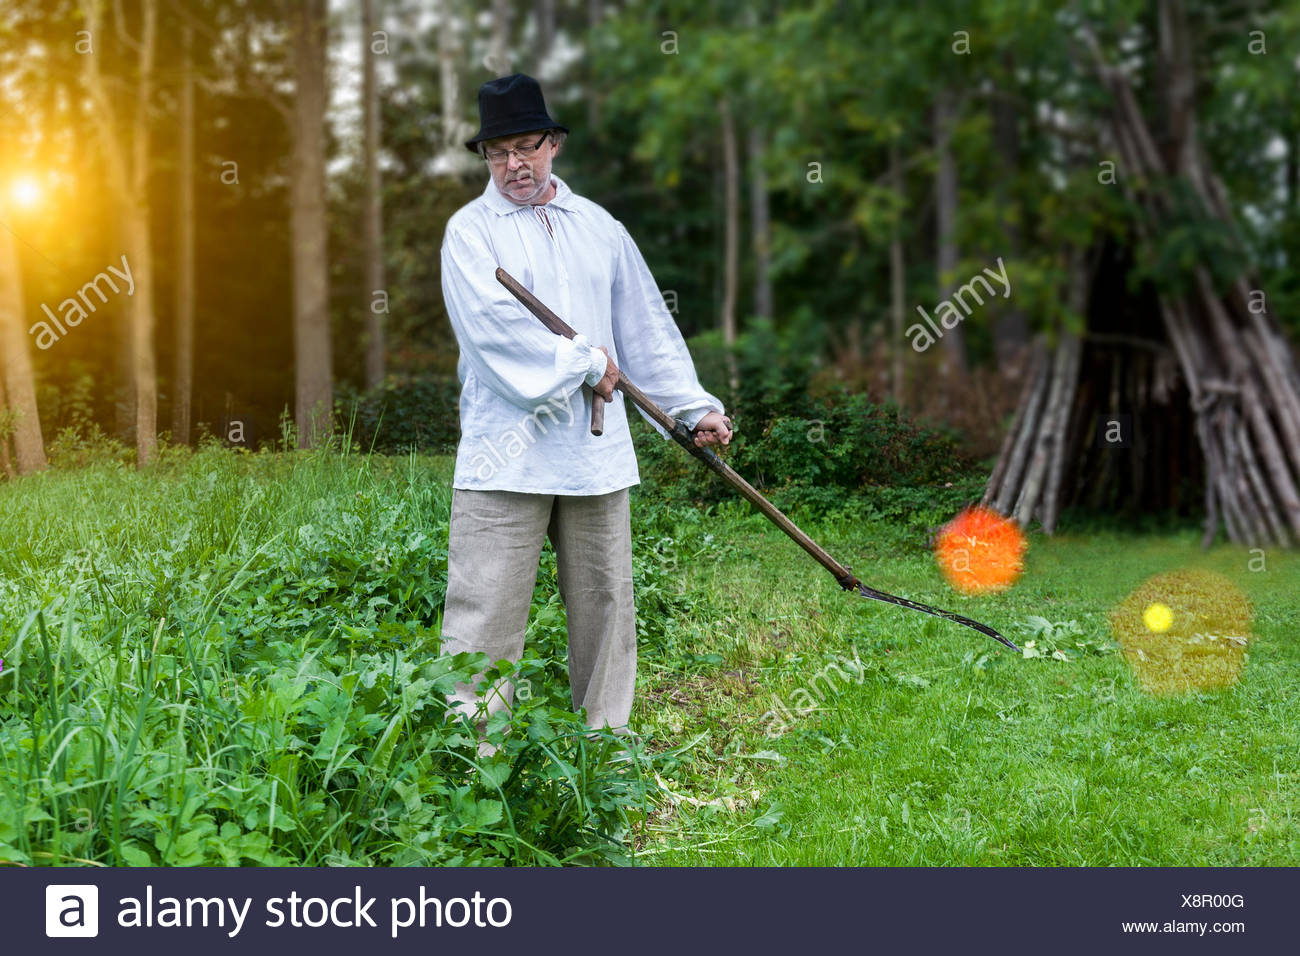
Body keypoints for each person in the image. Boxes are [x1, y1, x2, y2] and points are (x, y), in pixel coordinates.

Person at [439, 73, 732, 750]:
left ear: (554, 145)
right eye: (497, 150)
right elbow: (492, 340)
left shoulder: (601, 228)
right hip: (503, 456)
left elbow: (645, 329)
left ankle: (603, 752)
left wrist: (692, 410)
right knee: (483, 616)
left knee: (606, 609)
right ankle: (470, 763)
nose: (514, 164)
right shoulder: (471, 234)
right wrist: (585, 363)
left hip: (593, 457)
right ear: (485, 158)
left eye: (526, 146)